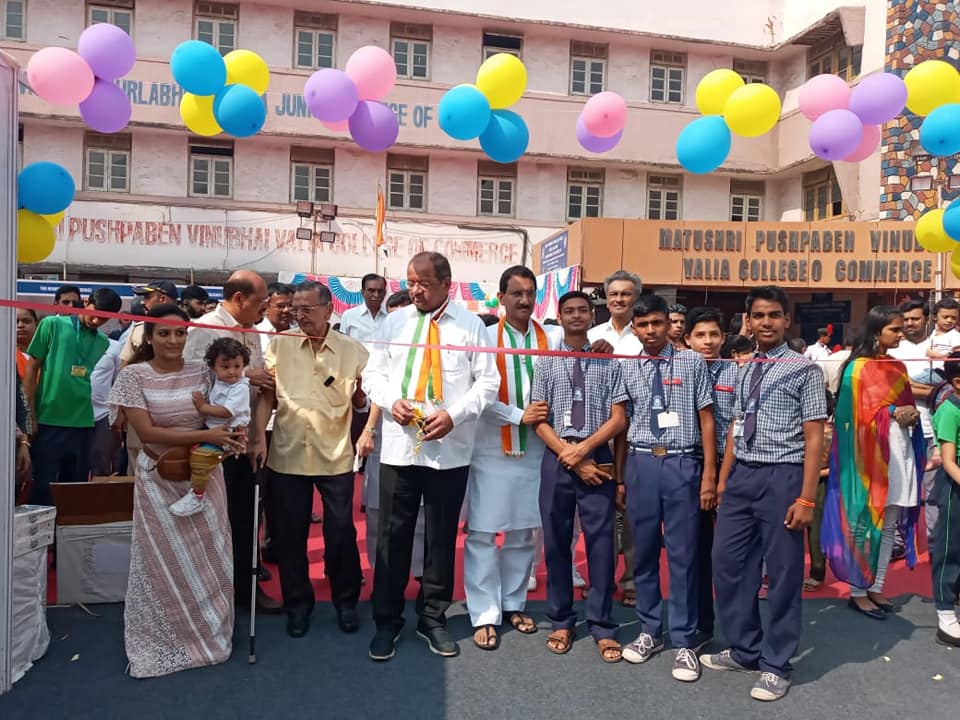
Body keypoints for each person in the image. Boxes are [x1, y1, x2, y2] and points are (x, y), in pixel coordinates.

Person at [363, 251, 499, 662]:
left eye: (423, 282)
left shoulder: (471, 326)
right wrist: (391, 402)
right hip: (400, 449)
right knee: (393, 536)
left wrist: (454, 416)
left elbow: (487, 384)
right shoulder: (395, 322)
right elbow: (373, 375)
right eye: (410, 281)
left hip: (449, 450)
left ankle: (432, 617)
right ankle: (387, 620)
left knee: (441, 538)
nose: (414, 289)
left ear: (446, 283)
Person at [702, 285, 827, 703]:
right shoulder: (743, 368)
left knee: (784, 572)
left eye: (775, 315)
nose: (767, 322)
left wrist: (807, 498)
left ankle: (776, 663)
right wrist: (723, 481)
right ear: (748, 321)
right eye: (759, 316)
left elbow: (814, 438)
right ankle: (745, 648)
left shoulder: (804, 370)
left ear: (787, 320)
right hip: (742, 479)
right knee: (729, 564)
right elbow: (737, 427)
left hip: (784, 476)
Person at [108, 304, 246, 678]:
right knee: (160, 562)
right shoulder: (132, 376)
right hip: (158, 479)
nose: (172, 340)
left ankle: (211, 639)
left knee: (210, 558)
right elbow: (148, 433)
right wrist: (210, 434)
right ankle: (163, 639)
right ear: (149, 337)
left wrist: (239, 429)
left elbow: (235, 399)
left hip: (206, 477)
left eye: (180, 333)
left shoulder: (205, 371)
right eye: (164, 333)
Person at [252, 281, 367, 638]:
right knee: (289, 535)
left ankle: (346, 602)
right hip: (287, 453)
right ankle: (297, 604)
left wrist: (363, 405)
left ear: (328, 310)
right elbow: (267, 399)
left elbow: (362, 402)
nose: (297, 315)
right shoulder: (279, 346)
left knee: (340, 533)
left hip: (334, 455)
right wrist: (259, 436)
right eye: (293, 309)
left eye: (306, 309)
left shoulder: (352, 351)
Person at [614, 295, 715, 681]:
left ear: (671, 325)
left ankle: (685, 640)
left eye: (658, 323)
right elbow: (622, 426)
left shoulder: (690, 361)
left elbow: (706, 418)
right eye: (643, 325)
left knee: (683, 555)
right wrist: (622, 477)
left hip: (681, 462)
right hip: (641, 461)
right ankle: (649, 630)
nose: (651, 331)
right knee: (641, 552)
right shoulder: (628, 364)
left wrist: (707, 474)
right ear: (634, 328)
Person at [464, 266, 561, 651]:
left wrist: (599, 347)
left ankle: (513, 603)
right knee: (484, 533)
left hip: (538, 447)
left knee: (524, 532)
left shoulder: (550, 337)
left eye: (529, 293)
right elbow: (475, 393)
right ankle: (484, 612)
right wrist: (516, 415)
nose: (523, 300)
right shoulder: (484, 338)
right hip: (491, 448)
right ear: (501, 297)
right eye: (515, 293)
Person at [530, 290, 628, 663]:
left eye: (582, 310)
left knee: (602, 544)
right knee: (555, 543)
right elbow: (537, 419)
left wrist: (584, 451)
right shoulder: (547, 363)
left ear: (592, 315)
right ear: (560, 315)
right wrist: (568, 454)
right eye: (568, 310)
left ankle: (603, 624)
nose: (575, 316)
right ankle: (560, 619)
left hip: (596, 457)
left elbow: (619, 419)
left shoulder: (608, 361)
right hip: (557, 456)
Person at [183, 269, 281, 614]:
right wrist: (244, 374)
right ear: (238, 298)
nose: (264, 307)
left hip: (246, 442)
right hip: (215, 443)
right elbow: (193, 384)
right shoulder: (205, 328)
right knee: (213, 521)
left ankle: (247, 589)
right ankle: (213, 594)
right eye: (260, 301)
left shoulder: (252, 332)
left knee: (246, 517)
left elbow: (260, 390)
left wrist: (258, 437)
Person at [822, 306, 924, 620]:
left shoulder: (897, 366)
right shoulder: (857, 369)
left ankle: (876, 586)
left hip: (899, 451)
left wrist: (908, 414)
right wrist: (892, 413)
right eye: (894, 329)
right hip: (866, 457)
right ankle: (857, 590)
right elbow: (848, 418)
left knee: (890, 522)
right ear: (876, 331)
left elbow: (904, 403)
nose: (900, 333)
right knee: (861, 524)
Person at [24, 288, 122, 504]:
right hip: (48, 417)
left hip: (83, 422)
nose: (97, 320)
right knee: (43, 485)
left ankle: (67, 534)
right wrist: (29, 413)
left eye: (105, 318)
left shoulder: (103, 342)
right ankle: (42, 536)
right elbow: (31, 368)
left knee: (73, 487)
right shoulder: (52, 324)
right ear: (86, 302)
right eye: (95, 313)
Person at [356, 291, 425, 580]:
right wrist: (369, 429)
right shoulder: (383, 342)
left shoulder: (429, 342)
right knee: (379, 509)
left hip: (424, 435)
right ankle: (381, 570)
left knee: (421, 516)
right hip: (386, 435)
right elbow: (374, 392)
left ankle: (421, 573)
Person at [588, 269, 642, 605]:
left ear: (635, 297)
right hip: (598, 433)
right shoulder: (592, 335)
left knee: (632, 510)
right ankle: (601, 577)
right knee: (599, 513)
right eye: (614, 294)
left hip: (636, 432)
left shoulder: (646, 336)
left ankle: (633, 580)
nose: (619, 299)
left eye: (626, 294)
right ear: (606, 299)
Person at [683, 306, 736, 647]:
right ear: (687, 339)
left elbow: (736, 425)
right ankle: (701, 623)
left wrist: (720, 477)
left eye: (713, 334)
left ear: (724, 338)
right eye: (700, 335)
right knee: (696, 550)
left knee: (732, 553)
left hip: (731, 467)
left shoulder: (738, 372)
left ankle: (739, 631)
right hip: (691, 465)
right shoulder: (678, 370)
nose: (707, 342)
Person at [169, 338, 251, 517]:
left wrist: (202, 407)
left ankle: (197, 497)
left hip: (230, 434)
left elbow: (227, 411)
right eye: (225, 366)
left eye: (237, 366)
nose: (232, 372)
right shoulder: (220, 382)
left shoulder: (240, 387)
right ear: (213, 367)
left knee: (200, 459)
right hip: (214, 430)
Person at [890, 298, 939, 538]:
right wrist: (932, 391)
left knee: (932, 491)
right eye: (905, 320)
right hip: (899, 430)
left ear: (927, 319)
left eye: (914, 319)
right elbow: (893, 386)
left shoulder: (939, 347)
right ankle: (898, 540)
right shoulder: (892, 349)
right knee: (899, 487)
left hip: (935, 431)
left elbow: (948, 385)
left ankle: (933, 539)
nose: (909, 324)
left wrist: (910, 384)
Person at [929, 351, 960, 647]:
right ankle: (945, 610)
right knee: (950, 545)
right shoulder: (950, 410)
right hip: (954, 485)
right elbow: (949, 460)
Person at [119, 281, 180, 364]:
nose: (142, 302)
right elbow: (125, 367)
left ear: (162, 299)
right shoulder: (139, 329)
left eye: (147, 297)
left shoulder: (191, 330)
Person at [89, 338, 123, 476]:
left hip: (103, 413)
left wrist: (119, 414)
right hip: (73, 413)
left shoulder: (114, 346)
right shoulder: (70, 342)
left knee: (102, 461)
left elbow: (119, 380)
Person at [339, 273, 388, 343]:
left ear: (385, 293)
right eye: (371, 291)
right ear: (362, 292)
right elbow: (342, 344)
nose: (376, 295)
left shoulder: (390, 317)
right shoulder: (349, 316)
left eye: (380, 291)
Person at [255, 282, 294, 355]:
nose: (286, 310)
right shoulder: (256, 334)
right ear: (266, 307)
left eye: (290, 305)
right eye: (280, 306)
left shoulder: (300, 335)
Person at [15, 308, 38, 378]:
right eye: (16, 321)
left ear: (37, 324)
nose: (20, 325)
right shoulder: (5, 356)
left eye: (26, 321)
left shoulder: (47, 357)